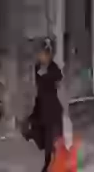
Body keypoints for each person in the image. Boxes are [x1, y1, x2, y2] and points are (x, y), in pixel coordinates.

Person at [29, 38, 64, 172]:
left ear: (48, 54)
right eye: (39, 54)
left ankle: (50, 164)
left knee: (50, 139)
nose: (40, 56)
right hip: (41, 107)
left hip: (51, 109)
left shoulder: (54, 68)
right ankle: (51, 161)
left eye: (42, 54)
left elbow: (58, 79)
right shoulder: (38, 67)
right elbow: (38, 82)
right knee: (42, 137)